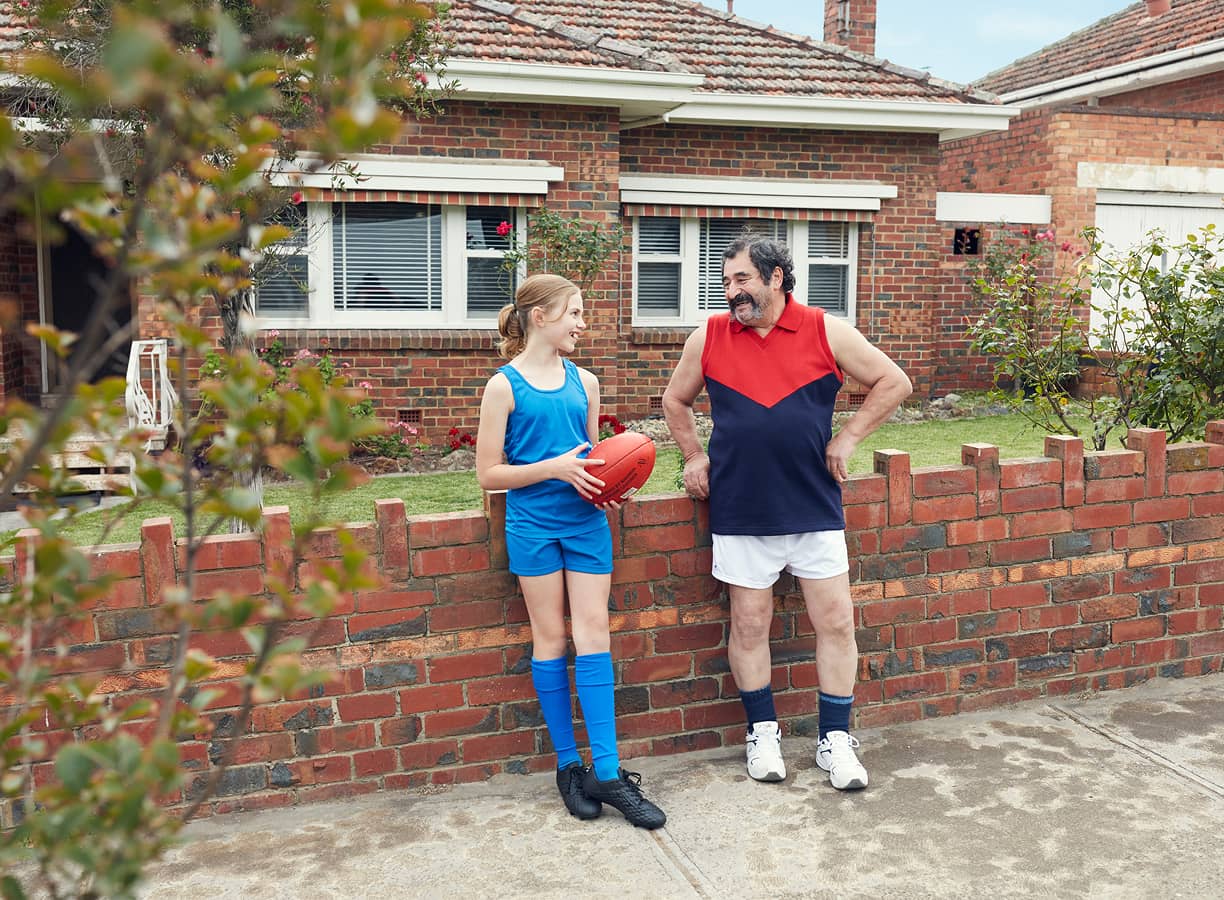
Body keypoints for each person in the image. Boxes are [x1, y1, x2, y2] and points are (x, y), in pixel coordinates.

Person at [662, 234, 912, 790]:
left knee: (837, 622)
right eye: (725, 281)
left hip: (812, 503)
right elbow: (674, 400)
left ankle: (835, 740)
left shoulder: (826, 330)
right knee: (750, 625)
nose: (731, 292)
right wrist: (694, 455)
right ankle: (763, 733)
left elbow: (895, 381)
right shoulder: (709, 335)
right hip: (740, 504)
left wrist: (847, 437)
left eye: (741, 280)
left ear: (776, 278)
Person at [476, 273, 667, 829]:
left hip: (585, 525)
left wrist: (605, 486)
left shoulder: (586, 381)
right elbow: (489, 473)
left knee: (593, 633)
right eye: (575, 313)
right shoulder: (503, 386)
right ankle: (568, 766)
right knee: (551, 638)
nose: (584, 324)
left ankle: (606, 773)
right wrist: (553, 468)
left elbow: (592, 457)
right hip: (532, 525)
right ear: (541, 317)